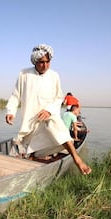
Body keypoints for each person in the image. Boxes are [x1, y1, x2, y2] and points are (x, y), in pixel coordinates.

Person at [5, 44, 91, 175]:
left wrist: (49, 111)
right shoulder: (24, 74)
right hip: (31, 117)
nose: (45, 65)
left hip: (49, 114)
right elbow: (16, 95)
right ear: (35, 62)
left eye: (47, 62)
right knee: (34, 147)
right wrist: (11, 111)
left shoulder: (54, 75)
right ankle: (33, 157)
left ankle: (77, 159)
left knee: (59, 130)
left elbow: (58, 97)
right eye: (41, 62)